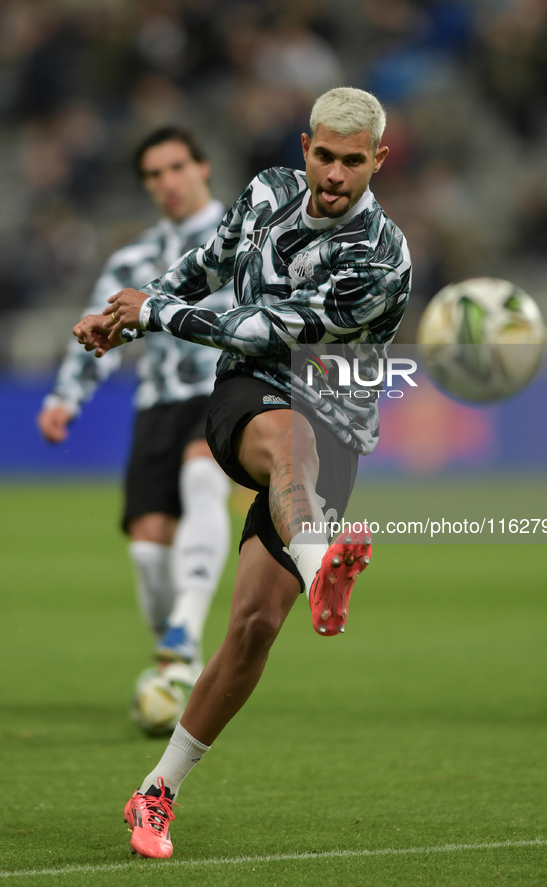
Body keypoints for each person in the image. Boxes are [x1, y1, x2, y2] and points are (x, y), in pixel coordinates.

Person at [74, 87, 412, 859]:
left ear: (377, 161)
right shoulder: (266, 193)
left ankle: (155, 791)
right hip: (250, 396)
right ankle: (323, 555)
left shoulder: (380, 259)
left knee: (254, 626)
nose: (332, 174)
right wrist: (132, 314)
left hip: (336, 420)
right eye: (322, 155)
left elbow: (269, 324)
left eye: (350, 162)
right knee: (284, 439)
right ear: (305, 145)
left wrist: (147, 312)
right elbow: (210, 266)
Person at [38, 127, 233, 703]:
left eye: (177, 167)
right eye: (154, 174)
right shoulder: (135, 257)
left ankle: (187, 626)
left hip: (226, 392)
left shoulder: (244, 243)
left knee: (204, 478)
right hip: (157, 405)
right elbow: (96, 330)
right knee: (149, 553)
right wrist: (63, 399)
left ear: (203, 168)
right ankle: (178, 667)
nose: (167, 183)